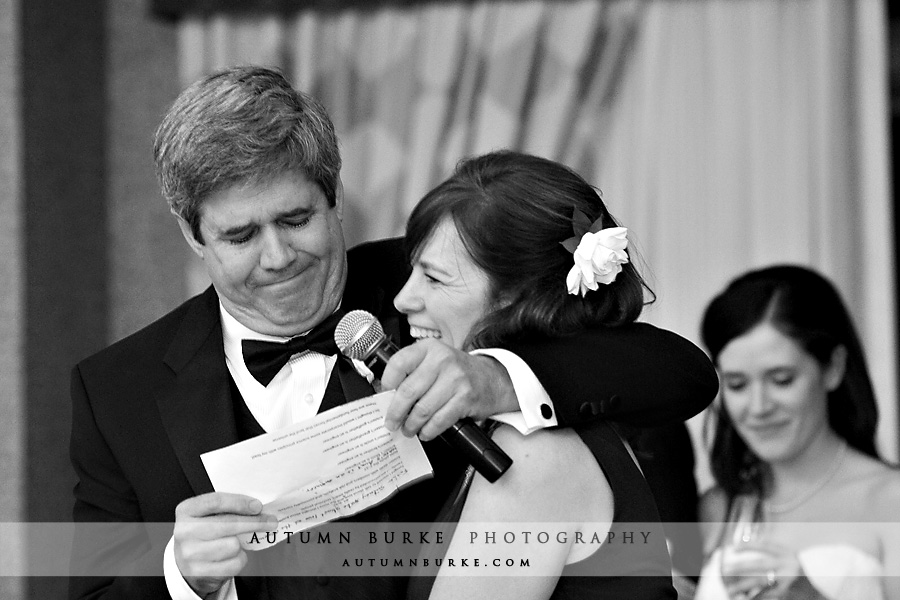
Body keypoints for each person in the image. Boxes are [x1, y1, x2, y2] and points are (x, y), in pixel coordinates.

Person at [68, 66, 717, 600]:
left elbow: (672, 370)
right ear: (191, 233)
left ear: (335, 196)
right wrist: (181, 578)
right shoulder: (116, 391)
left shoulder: (440, 290)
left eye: (295, 220)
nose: (276, 257)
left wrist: (496, 379)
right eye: (240, 235)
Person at [395, 150, 678, 599]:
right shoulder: (535, 428)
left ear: (516, 297)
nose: (402, 299)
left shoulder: (534, 453)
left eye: (434, 279)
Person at [694, 265, 900, 600]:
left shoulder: (891, 502)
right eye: (737, 384)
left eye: (781, 380)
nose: (758, 407)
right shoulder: (716, 509)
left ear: (832, 368)